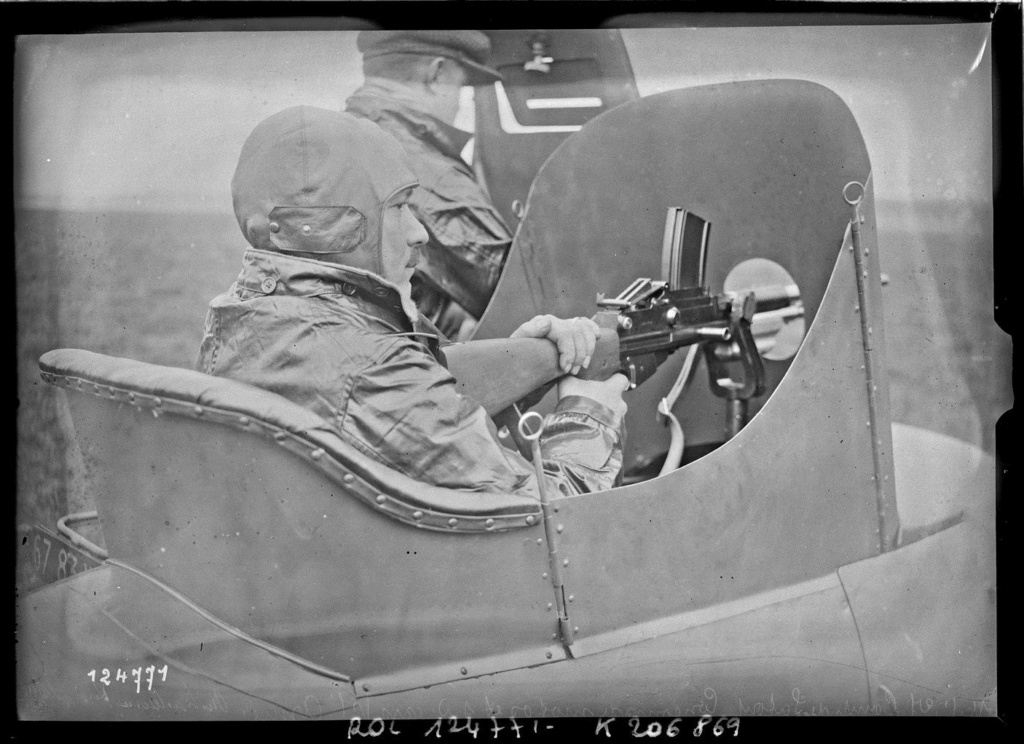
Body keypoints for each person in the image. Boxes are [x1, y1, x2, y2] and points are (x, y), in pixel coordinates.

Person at [197, 106, 629, 498]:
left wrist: (524, 363)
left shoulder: (244, 316)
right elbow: (554, 518)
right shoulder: (370, 370)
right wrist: (590, 411)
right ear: (337, 226)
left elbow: (405, 440)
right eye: (398, 207)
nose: (418, 233)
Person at [345, 30, 510, 340]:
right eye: (459, 88)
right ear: (436, 73)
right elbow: (518, 287)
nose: (459, 104)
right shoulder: (424, 171)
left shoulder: (346, 138)